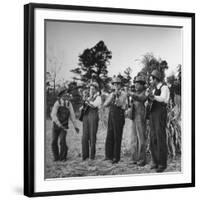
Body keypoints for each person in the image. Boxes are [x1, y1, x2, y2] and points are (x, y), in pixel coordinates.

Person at [148, 70, 170, 172]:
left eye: (151, 79)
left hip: (160, 113)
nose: (150, 80)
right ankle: (155, 161)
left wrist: (153, 97)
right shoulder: (153, 89)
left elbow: (163, 99)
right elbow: (151, 101)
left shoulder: (164, 87)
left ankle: (162, 164)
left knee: (160, 137)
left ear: (156, 79)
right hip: (153, 114)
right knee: (153, 138)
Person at [51, 88, 79, 162]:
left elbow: (72, 116)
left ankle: (63, 157)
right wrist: (59, 124)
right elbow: (53, 115)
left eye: (66, 95)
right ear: (60, 96)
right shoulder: (57, 103)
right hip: (56, 126)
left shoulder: (69, 104)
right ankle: (56, 157)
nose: (66, 96)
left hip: (64, 127)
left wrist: (76, 126)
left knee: (62, 141)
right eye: (64, 95)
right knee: (54, 141)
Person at [103, 76, 127, 164]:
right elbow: (105, 104)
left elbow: (119, 103)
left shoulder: (123, 93)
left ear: (120, 85)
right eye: (114, 84)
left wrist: (116, 96)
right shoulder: (111, 94)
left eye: (118, 84)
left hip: (119, 115)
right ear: (113, 85)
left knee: (117, 136)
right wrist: (112, 95)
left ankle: (116, 157)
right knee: (110, 134)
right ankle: (108, 155)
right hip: (111, 115)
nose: (116, 85)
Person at [129, 76, 147, 166]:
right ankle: (134, 158)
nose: (135, 85)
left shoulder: (145, 92)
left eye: (137, 83)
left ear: (142, 84)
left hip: (140, 116)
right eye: (135, 83)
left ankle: (141, 160)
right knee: (133, 138)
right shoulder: (135, 92)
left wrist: (131, 94)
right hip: (134, 116)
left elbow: (141, 98)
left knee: (141, 139)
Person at [81, 82, 102, 161]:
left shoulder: (98, 97)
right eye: (90, 88)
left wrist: (87, 101)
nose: (91, 90)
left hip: (93, 117)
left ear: (96, 90)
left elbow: (94, 105)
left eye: (93, 89)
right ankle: (84, 156)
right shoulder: (88, 97)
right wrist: (83, 105)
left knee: (92, 136)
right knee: (84, 137)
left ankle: (92, 156)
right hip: (86, 117)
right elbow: (83, 107)